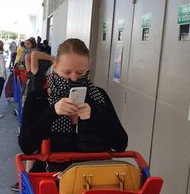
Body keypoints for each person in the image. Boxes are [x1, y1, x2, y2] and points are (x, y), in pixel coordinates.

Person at [18, 38, 128, 173]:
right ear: (55, 66)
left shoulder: (98, 96)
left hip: (96, 179)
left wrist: (95, 115)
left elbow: (121, 144)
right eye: (67, 72)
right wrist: (52, 112)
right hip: (51, 179)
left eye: (81, 73)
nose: (74, 78)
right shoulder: (38, 98)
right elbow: (26, 146)